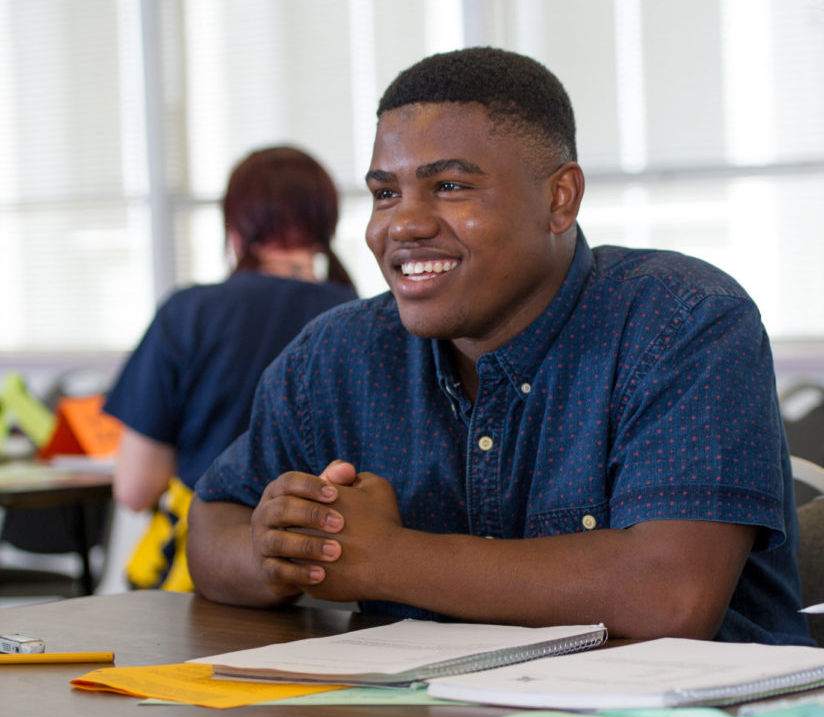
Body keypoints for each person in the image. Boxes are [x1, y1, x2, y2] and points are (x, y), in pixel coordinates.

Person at [187, 48, 811, 644]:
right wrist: (279, 554)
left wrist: (387, 559)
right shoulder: (336, 354)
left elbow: (670, 595)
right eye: (385, 193)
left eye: (451, 187)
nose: (403, 223)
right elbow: (214, 522)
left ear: (559, 198)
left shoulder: (682, 320)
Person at [104, 146, 358, 591]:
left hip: (204, 576)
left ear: (237, 223)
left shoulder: (189, 313)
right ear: (326, 222)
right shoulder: (363, 318)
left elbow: (135, 488)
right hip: (329, 575)